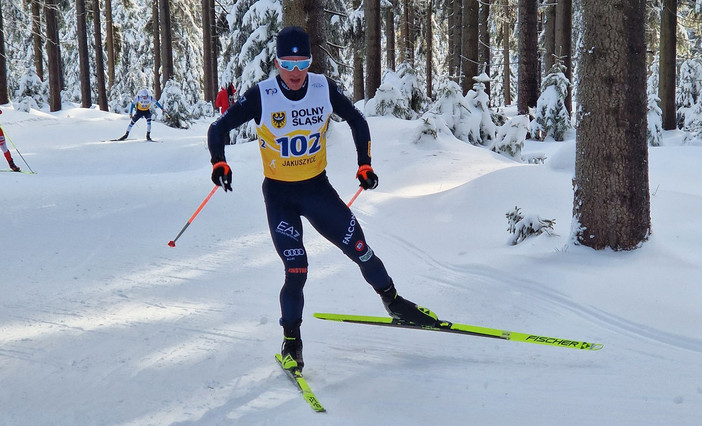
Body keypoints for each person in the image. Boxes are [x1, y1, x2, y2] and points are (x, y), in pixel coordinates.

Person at [207, 26, 438, 371]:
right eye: (288, 63)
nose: (297, 72)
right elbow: (217, 129)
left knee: (361, 248)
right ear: (277, 63)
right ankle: (291, 342)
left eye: (303, 63)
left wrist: (364, 164)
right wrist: (219, 161)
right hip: (280, 195)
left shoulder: (322, 87)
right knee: (297, 269)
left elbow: (357, 121)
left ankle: (394, 302)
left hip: (317, 189)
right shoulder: (262, 95)